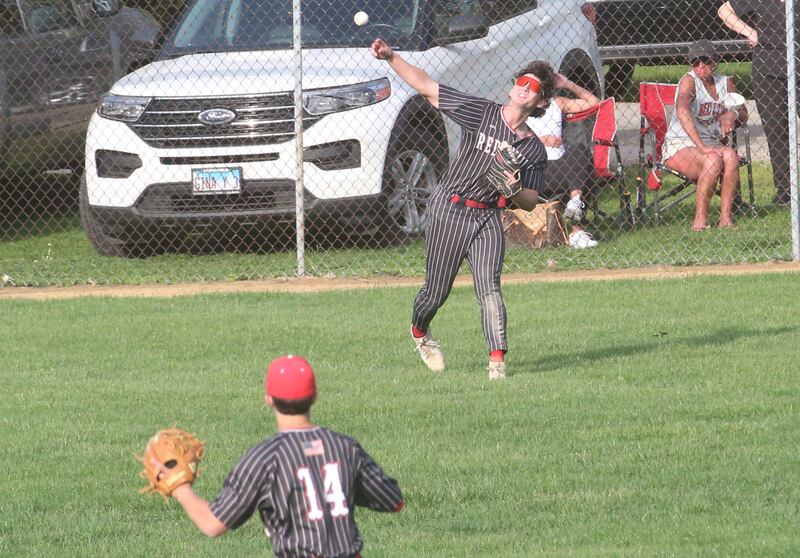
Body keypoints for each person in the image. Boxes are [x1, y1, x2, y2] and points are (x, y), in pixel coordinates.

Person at [370, 38, 553, 380]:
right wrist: (392, 57)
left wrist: (513, 189)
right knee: (436, 292)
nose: (523, 88)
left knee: (490, 288)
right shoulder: (482, 112)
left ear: (541, 101)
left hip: (486, 216)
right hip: (450, 208)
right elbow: (426, 86)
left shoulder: (532, 150)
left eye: (533, 87)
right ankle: (420, 333)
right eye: (521, 81)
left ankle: (497, 364)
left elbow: (531, 199)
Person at [150, 354, 404, 558]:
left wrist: (180, 487)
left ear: (269, 399)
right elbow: (395, 502)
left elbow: (213, 524)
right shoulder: (345, 448)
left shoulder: (265, 459)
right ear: (314, 396)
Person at [662, 39, 749, 230]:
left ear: (715, 60)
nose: (700, 65)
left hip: (712, 144)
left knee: (731, 156)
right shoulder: (689, 81)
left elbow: (744, 113)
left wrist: (731, 114)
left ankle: (726, 219)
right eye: (695, 61)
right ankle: (700, 221)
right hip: (681, 143)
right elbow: (682, 110)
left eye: (705, 60)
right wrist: (701, 146)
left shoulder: (725, 83)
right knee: (713, 160)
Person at [719, 0, 797, 205]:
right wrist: (751, 33)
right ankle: (785, 189)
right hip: (768, 70)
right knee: (776, 129)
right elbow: (724, 11)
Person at [527, 72, 601, 248]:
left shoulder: (557, 103)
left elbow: (595, 103)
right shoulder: (518, 109)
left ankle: (575, 203)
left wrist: (568, 84)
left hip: (564, 166)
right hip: (536, 171)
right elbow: (507, 139)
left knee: (579, 150)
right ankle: (578, 230)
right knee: (584, 174)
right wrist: (540, 140)